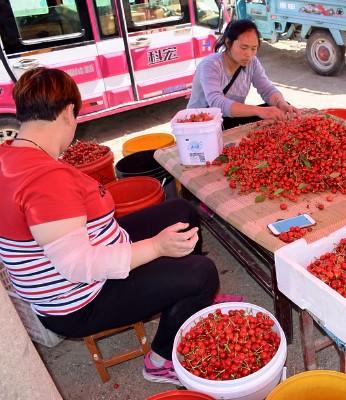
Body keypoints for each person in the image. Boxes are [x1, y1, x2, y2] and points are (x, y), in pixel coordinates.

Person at [0, 67, 220, 385]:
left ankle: (185, 306)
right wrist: (156, 247)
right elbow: (79, 266)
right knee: (203, 273)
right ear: (67, 113)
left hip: (99, 248)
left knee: (181, 212)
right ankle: (160, 359)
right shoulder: (46, 179)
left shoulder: (11, 156)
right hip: (80, 300)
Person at [187, 19, 298, 129]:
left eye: (253, 48)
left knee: (280, 109)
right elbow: (216, 102)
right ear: (228, 42)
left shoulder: (252, 62)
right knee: (266, 113)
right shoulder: (211, 65)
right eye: (243, 47)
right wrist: (259, 111)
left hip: (229, 118)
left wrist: (281, 103)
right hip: (203, 123)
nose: (248, 54)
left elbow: (267, 89)